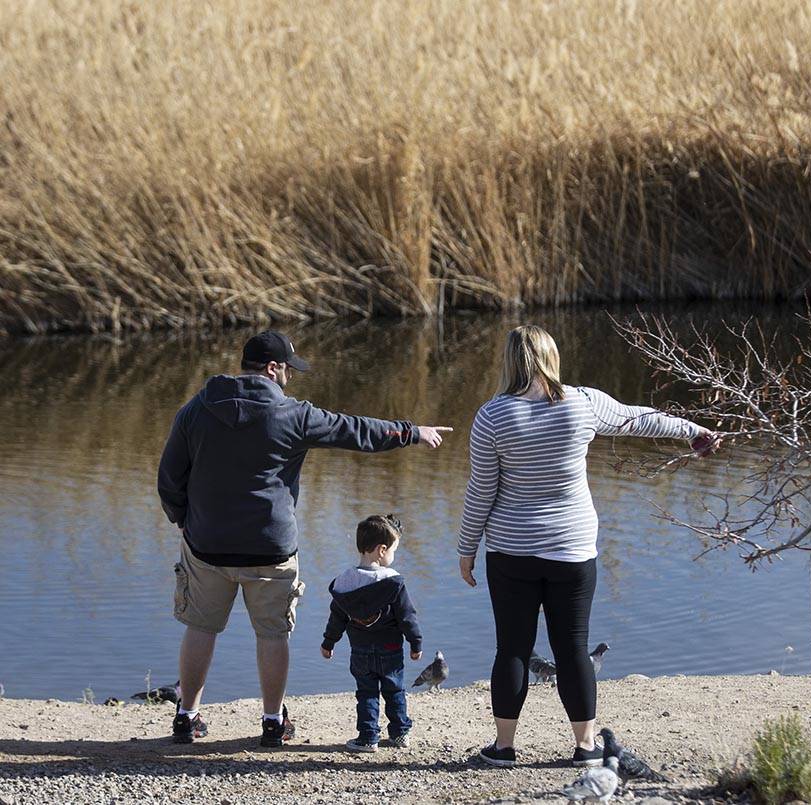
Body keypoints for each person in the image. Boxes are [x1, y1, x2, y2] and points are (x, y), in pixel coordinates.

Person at [157, 330, 450, 747]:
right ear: (273, 369)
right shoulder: (293, 415)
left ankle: (186, 718)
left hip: (207, 545)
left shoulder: (196, 409)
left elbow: (169, 477)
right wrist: (411, 432)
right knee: (272, 634)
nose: (291, 378)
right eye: (289, 370)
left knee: (201, 627)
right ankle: (273, 723)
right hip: (270, 548)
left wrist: (182, 519)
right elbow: (355, 430)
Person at [456, 325, 719, 768]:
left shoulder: (492, 416)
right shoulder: (582, 404)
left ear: (510, 362)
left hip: (511, 551)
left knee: (513, 648)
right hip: (572, 550)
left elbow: (481, 490)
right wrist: (692, 430)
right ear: (551, 357)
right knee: (573, 648)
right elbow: (641, 419)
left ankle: (503, 748)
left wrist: (466, 550)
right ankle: (585, 747)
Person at [321, 514, 423, 753]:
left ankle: (368, 737)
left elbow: (336, 618)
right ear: (381, 550)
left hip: (360, 651)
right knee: (394, 690)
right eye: (394, 550)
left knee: (366, 693)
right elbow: (407, 616)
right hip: (390, 650)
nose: (394, 556)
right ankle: (399, 733)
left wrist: (329, 642)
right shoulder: (393, 583)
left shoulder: (344, 583)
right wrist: (415, 643)